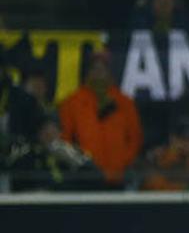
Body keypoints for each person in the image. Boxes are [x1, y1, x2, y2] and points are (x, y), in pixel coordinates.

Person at [58, 51, 142, 187]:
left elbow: (135, 139)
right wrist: (83, 167)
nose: (99, 72)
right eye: (95, 67)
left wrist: (122, 163)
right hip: (84, 181)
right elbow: (66, 141)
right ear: (88, 71)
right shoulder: (72, 103)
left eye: (103, 67)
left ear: (110, 71)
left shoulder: (124, 102)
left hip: (119, 179)